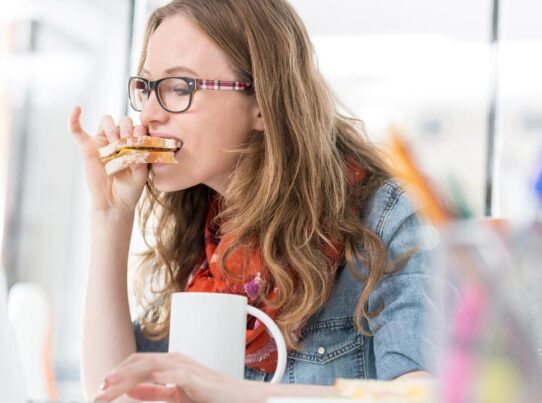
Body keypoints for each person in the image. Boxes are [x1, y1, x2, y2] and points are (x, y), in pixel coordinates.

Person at [68, 0, 434, 401]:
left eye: (179, 87)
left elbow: (421, 396)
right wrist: (110, 218)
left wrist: (229, 393)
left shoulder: (385, 220)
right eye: (147, 87)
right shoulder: (203, 243)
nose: (149, 114)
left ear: (262, 103)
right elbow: (114, 395)